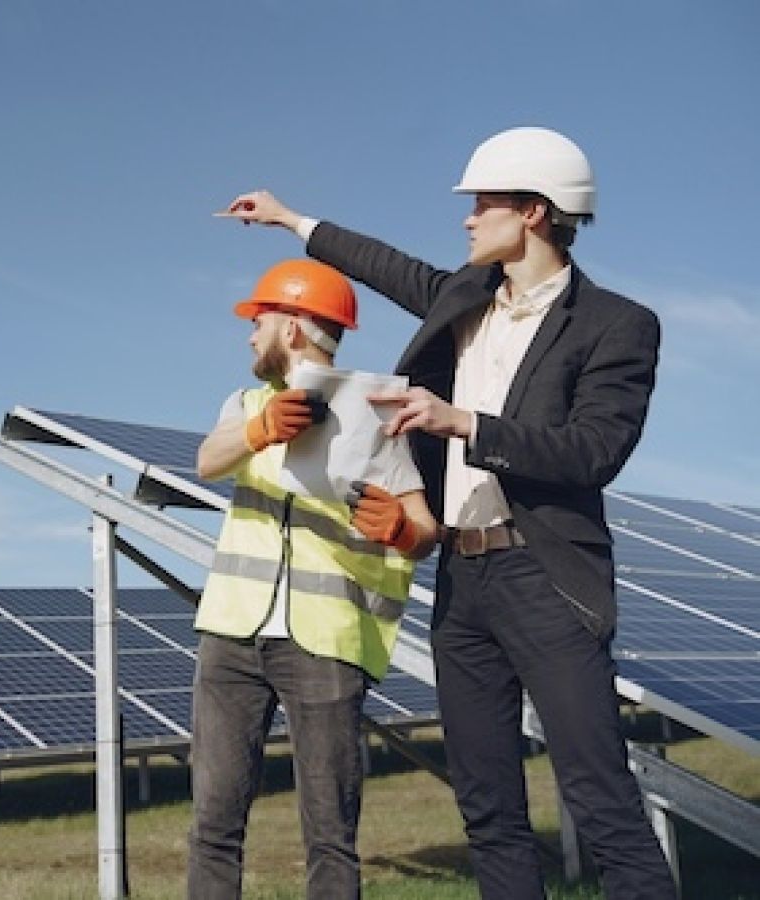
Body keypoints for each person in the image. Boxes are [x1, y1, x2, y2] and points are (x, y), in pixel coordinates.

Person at [217, 126, 677, 899]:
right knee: (488, 807)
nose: (467, 219)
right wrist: (290, 218)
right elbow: (385, 265)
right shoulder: (463, 296)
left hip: (547, 580)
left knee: (601, 800)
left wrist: (463, 422)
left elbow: (594, 450)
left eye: (482, 204)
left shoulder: (617, 325)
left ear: (534, 211)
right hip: (463, 586)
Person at [189, 258, 438, 899]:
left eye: (259, 320)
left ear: (294, 328)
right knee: (214, 820)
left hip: (326, 642)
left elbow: (423, 526)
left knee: (330, 833)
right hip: (232, 637)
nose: (249, 335)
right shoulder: (243, 403)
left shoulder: (375, 416)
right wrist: (258, 430)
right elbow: (207, 461)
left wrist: (402, 531)